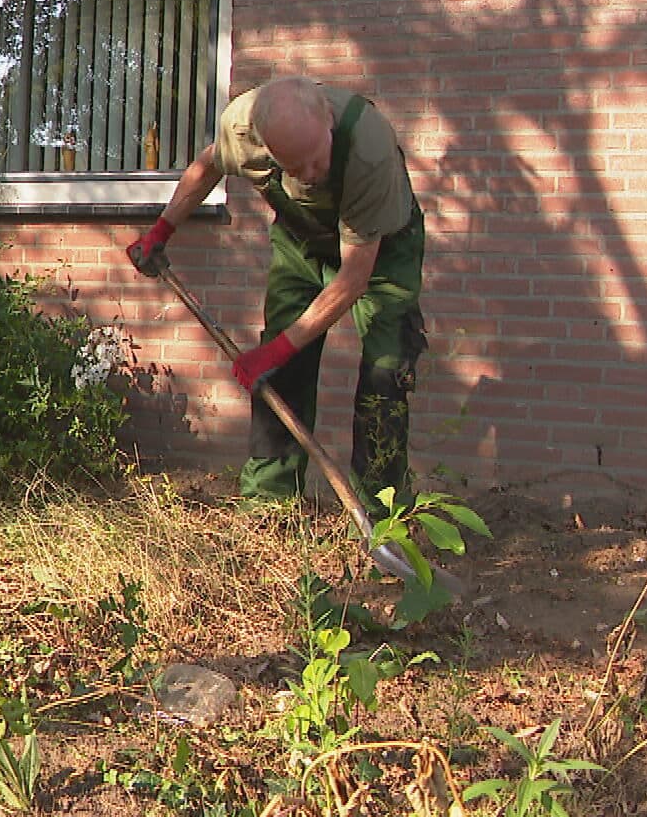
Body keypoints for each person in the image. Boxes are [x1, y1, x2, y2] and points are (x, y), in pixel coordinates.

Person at [126, 75, 426, 510]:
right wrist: (162, 230)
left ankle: (383, 515)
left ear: (327, 121)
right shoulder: (241, 130)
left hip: (382, 253)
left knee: (385, 373)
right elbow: (207, 167)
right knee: (281, 375)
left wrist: (277, 349)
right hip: (302, 242)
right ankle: (270, 502)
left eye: (316, 161)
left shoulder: (368, 148)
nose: (310, 175)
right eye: (294, 168)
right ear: (267, 148)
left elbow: (351, 281)